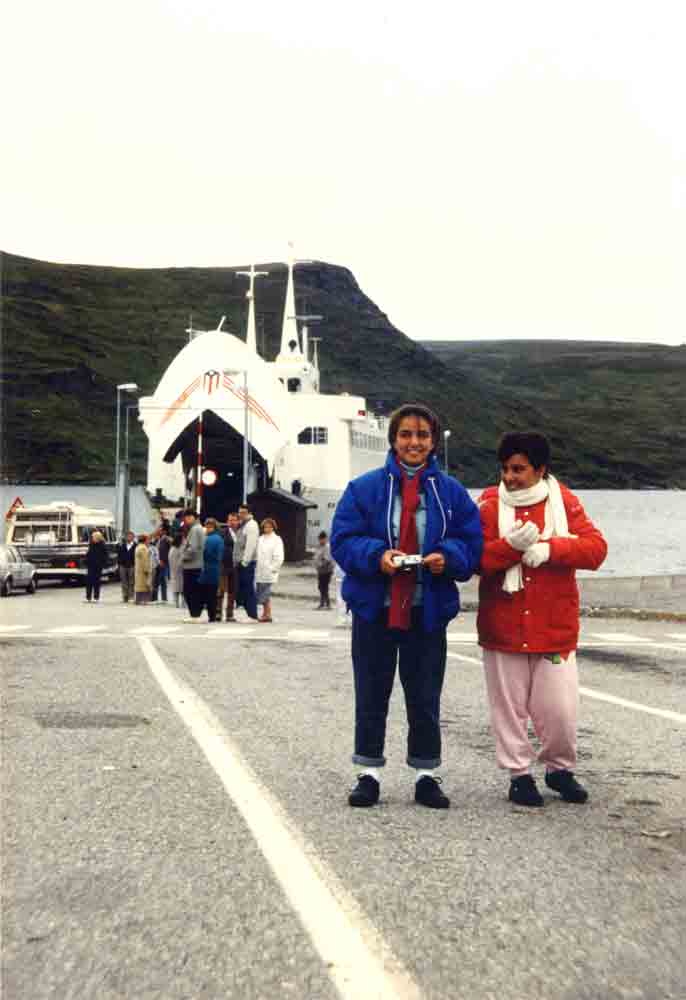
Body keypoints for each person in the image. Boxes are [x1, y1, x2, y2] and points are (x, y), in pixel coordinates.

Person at [331, 403, 483, 809]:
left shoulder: (450, 493)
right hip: (374, 609)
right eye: (406, 435)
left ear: (433, 441)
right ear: (393, 439)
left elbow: (472, 544)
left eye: (422, 435)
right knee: (371, 692)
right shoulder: (362, 489)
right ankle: (368, 774)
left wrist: (447, 558)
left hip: (427, 610)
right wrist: (377, 555)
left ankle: (426, 775)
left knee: (425, 694)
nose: (414, 443)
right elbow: (343, 541)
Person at [477, 431, 607, 807]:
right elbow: (473, 561)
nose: (510, 478)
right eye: (505, 469)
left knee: (560, 710)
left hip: (554, 627)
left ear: (540, 469)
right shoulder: (487, 504)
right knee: (509, 709)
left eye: (518, 469)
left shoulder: (563, 501)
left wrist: (549, 549)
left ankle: (559, 769)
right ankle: (519, 775)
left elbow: (596, 549)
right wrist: (509, 549)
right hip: (503, 626)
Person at [255, 518, 285, 622]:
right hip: (259, 571)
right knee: (262, 593)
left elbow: (279, 556)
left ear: (273, 527)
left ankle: (267, 614)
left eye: (269, 526)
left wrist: (273, 568)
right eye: (265, 526)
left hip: (269, 571)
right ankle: (266, 613)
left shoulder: (277, 539)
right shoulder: (260, 539)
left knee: (265, 593)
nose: (267, 528)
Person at [234, 503, 259, 622]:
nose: (241, 515)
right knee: (244, 588)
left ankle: (253, 615)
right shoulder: (243, 525)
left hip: (247, 562)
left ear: (249, 513)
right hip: (241, 562)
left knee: (249, 589)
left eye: (243, 513)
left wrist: (245, 561)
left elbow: (251, 545)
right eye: (239, 513)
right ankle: (250, 614)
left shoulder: (251, 525)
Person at [180, 509, 205, 620]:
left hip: (192, 565)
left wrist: (183, 556)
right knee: (195, 591)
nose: (186, 520)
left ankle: (194, 615)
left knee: (189, 591)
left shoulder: (194, 529)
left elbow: (193, 548)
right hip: (198, 565)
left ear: (193, 517)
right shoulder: (200, 528)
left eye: (187, 517)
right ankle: (196, 614)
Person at [197, 518, 224, 622]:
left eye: (208, 527)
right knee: (212, 594)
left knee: (202, 593)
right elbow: (220, 556)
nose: (207, 529)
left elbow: (202, 553)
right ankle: (212, 616)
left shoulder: (206, 539)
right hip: (215, 569)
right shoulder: (220, 539)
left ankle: (198, 614)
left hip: (205, 569)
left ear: (212, 527)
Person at [217, 512, 240, 622]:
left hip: (235, 566)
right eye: (230, 520)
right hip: (223, 565)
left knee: (232, 591)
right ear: (227, 521)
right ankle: (218, 613)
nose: (232, 522)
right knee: (221, 590)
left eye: (234, 520)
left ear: (238, 521)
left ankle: (230, 614)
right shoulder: (222, 532)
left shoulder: (241, 533)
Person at [84, 530, 108, 603]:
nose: (92, 538)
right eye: (92, 537)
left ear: (97, 537)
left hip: (98, 567)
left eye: (93, 537)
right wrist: (86, 561)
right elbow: (88, 554)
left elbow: (105, 556)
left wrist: (102, 564)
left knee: (96, 582)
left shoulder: (102, 545)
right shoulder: (91, 544)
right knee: (89, 582)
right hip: (90, 565)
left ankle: (96, 597)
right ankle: (88, 597)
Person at [313, 530, 334, 609]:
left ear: (325, 539)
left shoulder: (327, 547)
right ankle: (324, 603)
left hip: (326, 570)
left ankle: (326, 604)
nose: (321, 540)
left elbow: (327, 560)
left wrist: (321, 564)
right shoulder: (319, 546)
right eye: (320, 539)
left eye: (322, 539)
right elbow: (316, 556)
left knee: (324, 587)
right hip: (320, 570)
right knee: (321, 586)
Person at [117, 531, 137, 603]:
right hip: (123, 566)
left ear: (133, 537)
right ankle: (125, 596)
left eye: (130, 536)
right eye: (127, 536)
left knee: (132, 581)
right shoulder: (122, 545)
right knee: (124, 582)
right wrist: (119, 564)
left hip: (132, 566)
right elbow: (119, 555)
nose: (129, 538)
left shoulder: (136, 546)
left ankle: (131, 596)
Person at [134, 534, 153, 605]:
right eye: (148, 539)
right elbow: (145, 560)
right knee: (144, 586)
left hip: (138, 569)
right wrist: (147, 570)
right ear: (145, 540)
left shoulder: (138, 547)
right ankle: (144, 600)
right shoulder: (144, 548)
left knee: (138, 585)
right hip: (143, 570)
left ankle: (138, 600)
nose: (149, 541)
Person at [155, 524, 171, 603]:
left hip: (164, 563)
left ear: (164, 531)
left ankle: (164, 598)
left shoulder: (167, 539)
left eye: (160, 530)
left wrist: (164, 560)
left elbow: (167, 551)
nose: (158, 531)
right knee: (158, 580)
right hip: (158, 563)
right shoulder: (159, 539)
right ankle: (157, 597)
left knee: (162, 580)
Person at [168, 534, 185, 608]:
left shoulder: (172, 548)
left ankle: (176, 603)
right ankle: (183, 603)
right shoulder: (180, 548)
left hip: (173, 570)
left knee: (176, 587)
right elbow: (182, 558)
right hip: (180, 571)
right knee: (182, 588)